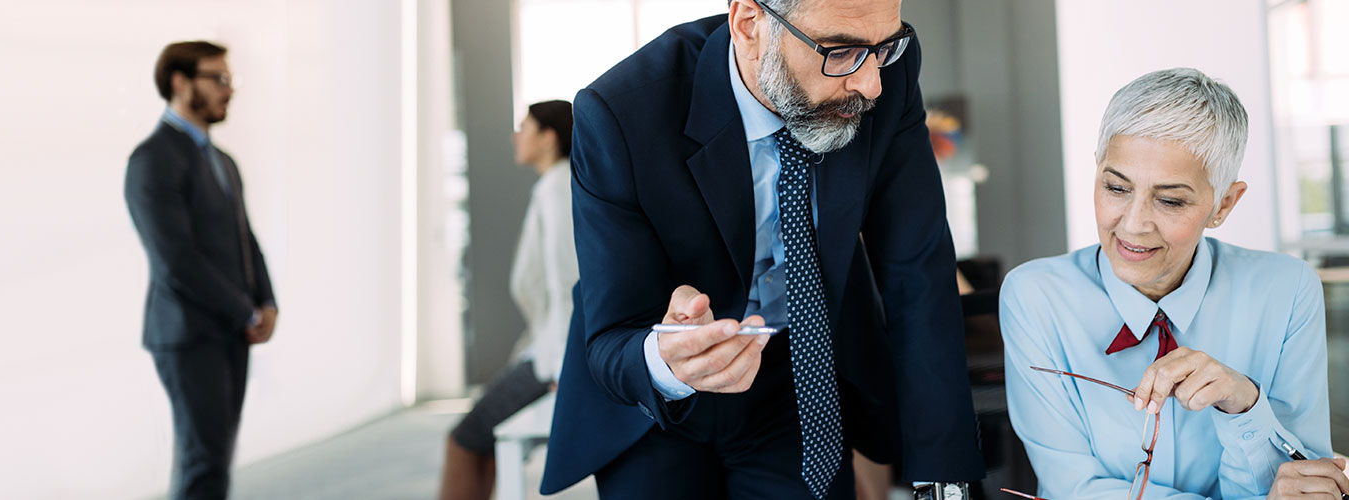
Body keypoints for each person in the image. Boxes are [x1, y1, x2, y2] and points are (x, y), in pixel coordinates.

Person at [540, 0, 985, 498]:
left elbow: (918, 274)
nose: (870, 84)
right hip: (657, 404)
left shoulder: (884, 72)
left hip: (798, 378)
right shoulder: (621, 112)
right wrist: (671, 360)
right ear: (749, 24)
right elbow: (613, 329)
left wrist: (943, 478)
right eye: (840, 52)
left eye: (884, 48)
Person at [1000, 68, 1342, 500]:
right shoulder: (1035, 297)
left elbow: (1307, 483)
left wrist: (1245, 406)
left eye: (1170, 200)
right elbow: (1073, 488)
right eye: (1116, 187)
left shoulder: (1287, 291)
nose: (1133, 224)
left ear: (1224, 205)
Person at [122, 40, 277, 500]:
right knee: (203, 463)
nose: (229, 90)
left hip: (230, 330)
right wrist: (245, 312)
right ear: (180, 82)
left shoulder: (222, 161)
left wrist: (267, 301)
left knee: (216, 459)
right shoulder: (153, 159)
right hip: (188, 334)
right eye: (218, 79)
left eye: (231, 80)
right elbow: (176, 260)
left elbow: (245, 239)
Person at [438, 99, 578, 500]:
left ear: (548, 138)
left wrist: (561, 367)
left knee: (463, 441)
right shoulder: (555, 186)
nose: (516, 137)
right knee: (482, 447)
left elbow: (567, 283)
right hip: (546, 351)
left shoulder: (557, 190)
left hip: (552, 359)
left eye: (524, 128)